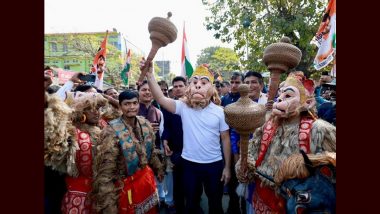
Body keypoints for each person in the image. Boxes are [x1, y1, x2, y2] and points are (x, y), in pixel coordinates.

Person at [236, 74, 336, 213]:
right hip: (260, 198)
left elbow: (330, 169)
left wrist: (302, 164)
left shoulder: (319, 130)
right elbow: (252, 153)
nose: (280, 98)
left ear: (307, 103)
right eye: (280, 95)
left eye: (288, 95)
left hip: (294, 202)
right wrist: (245, 165)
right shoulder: (265, 124)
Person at [141, 61, 231, 214]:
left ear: (212, 89)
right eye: (194, 82)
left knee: (215, 204)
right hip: (189, 164)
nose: (197, 85)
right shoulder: (183, 107)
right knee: (191, 203)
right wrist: (150, 75)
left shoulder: (220, 111)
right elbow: (161, 99)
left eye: (203, 82)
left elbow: (225, 139)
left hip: (214, 164)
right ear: (189, 87)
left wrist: (227, 167)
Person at [92, 90, 165, 213]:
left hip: (145, 183)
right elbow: (105, 174)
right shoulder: (111, 131)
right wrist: (109, 205)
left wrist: (158, 168)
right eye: (127, 104)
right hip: (124, 187)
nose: (132, 107)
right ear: (120, 106)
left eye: (135, 103)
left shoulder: (144, 123)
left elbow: (151, 151)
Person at [60, 92, 108, 213]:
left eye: (98, 108)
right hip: (79, 190)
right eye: (90, 109)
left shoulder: (104, 127)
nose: (96, 112)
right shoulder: (71, 131)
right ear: (82, 112)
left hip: (102, 189)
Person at [220, 71, 245, 214]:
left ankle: (241, 205)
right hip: (226, 143)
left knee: (241, 176)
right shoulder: (225, 99)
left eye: (237, 82)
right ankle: (233, 205)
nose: (234, 85)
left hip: (242, 143)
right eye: (232, 82)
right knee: (229, 173)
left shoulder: (246, 100)